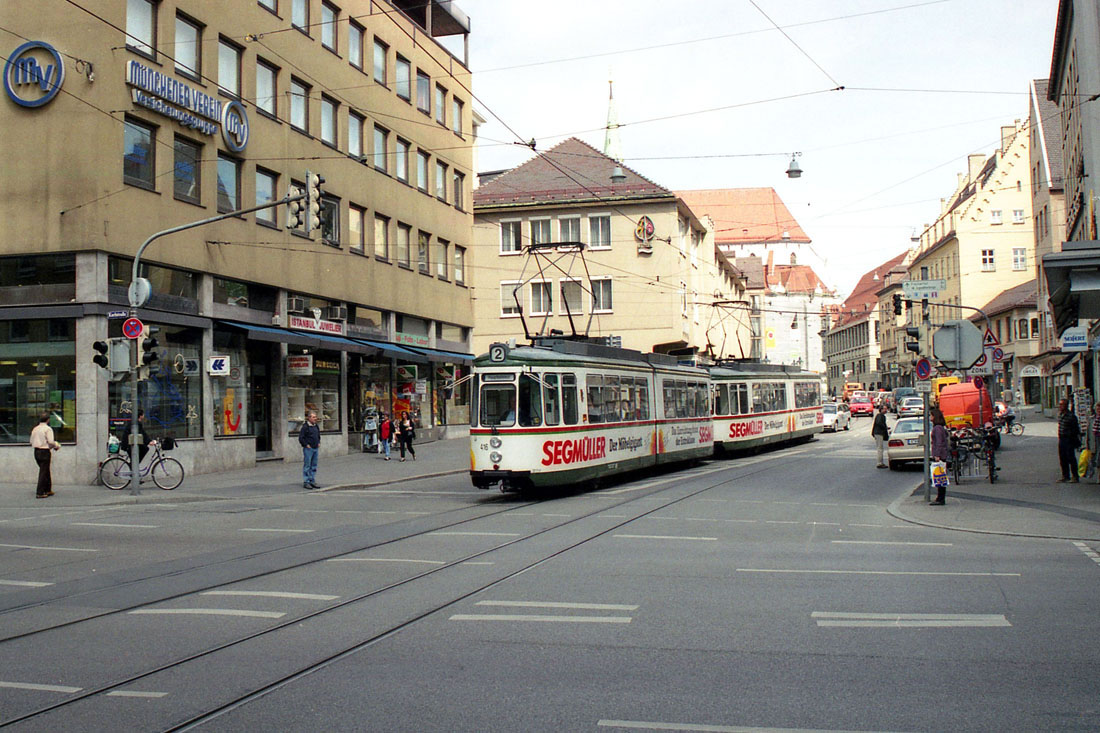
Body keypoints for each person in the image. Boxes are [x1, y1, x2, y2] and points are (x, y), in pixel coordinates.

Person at [30, 411, 60, 498]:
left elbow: (31, 441)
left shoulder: (35, 429)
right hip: (44, 451)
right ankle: (40, 492)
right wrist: (56, 445)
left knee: (45, 470)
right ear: (48, 420)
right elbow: (50, 441)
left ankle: (48, 489)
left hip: (36, 451)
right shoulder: (48, 429)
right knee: (43, 472)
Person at [1057, 399, 1081, 483]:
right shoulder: (1060, 415)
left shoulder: (1071, 416)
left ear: (1066, 406)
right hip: (1062, 439)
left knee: (1071, 458)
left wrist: (1072, 439)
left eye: (1062, 405)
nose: (1060, 406)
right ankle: (1065, 476)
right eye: (1059, 405)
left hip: (1069, 439)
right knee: (1062, 458)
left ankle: (1075, 476)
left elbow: (1076, 429)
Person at [930, 411, 950, 505]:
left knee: (940, 476)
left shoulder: (937, 428)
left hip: (940, 455)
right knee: (941, 476)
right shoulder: (940, 427)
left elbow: (939, 442)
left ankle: (941, 498)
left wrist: (937, 455)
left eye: (931, 415)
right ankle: (940, 497)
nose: (930, 417)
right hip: (942, 454)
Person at [299, 410, 321, 489]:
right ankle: (306, 481)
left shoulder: (316, 426)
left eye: (316, 417)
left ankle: (312, 480)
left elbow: (318, 435)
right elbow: (301, 438)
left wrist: (318, 442)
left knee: (314, 465)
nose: (315, 418)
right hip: (309, 449)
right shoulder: (305, 427)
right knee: (307, 465)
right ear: (309, 418)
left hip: (315, 448)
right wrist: (306, 445)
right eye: (313, 417)